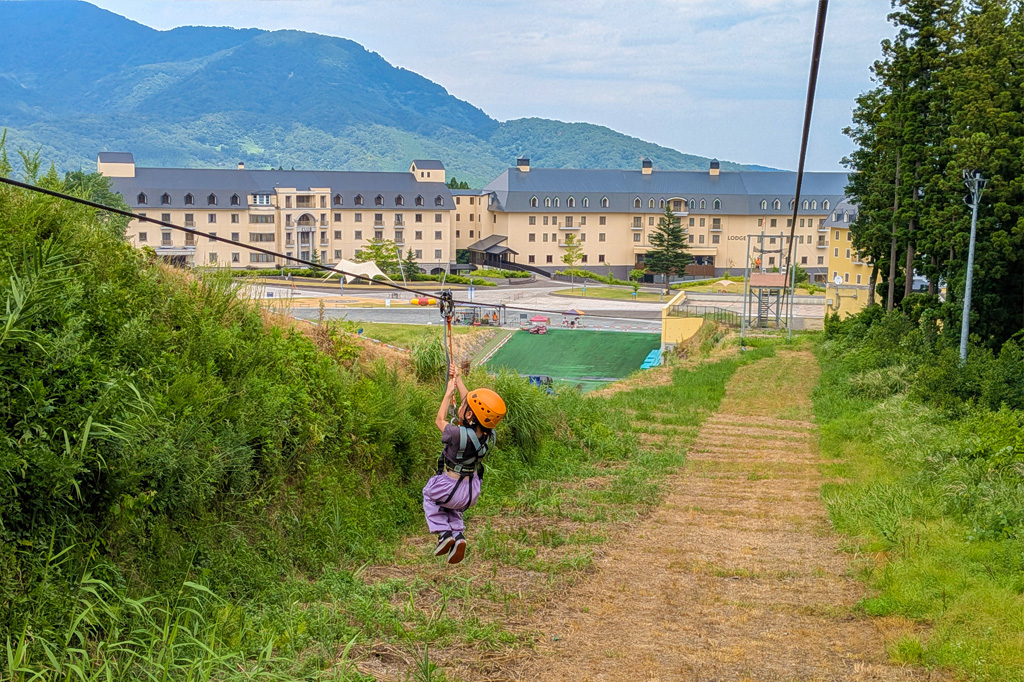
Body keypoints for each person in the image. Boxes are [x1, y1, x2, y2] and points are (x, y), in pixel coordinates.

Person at [423, 364, 506, 564]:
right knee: (453, 508)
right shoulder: (490, 435)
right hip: (470, 491)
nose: (461, 405)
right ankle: (458, 535)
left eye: (464, 406)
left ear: (468, 415)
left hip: (449, 487)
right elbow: (474, 407)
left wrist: (447, 394)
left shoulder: (455, 433)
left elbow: (439, 420)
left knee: (430, 496)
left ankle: (444, 533)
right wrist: (458, 379)